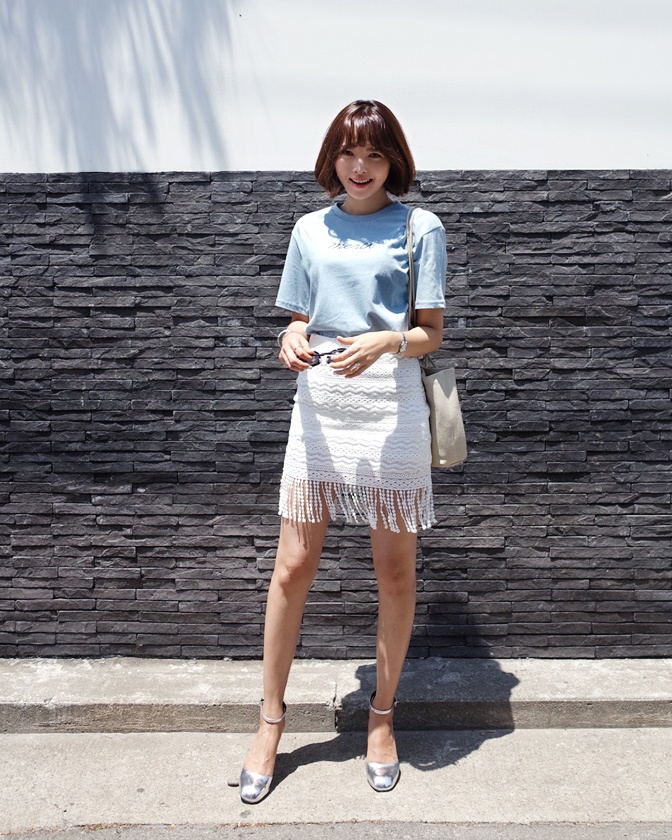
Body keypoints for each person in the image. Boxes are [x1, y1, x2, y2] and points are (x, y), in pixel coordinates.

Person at [239, 99, 447, 803]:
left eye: (374, 155)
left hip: (392, 408)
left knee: (393, 570)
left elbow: (431, 332)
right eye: (349, 153)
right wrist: (291, 335)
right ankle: (270, 722)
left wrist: (389, 339)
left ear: (394, 161)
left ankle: (381, 718)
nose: (360, 167)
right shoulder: (309, 228)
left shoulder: (421, 227)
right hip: (321, 407)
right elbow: (303, 317)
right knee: (292, 566)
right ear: (332, 157)